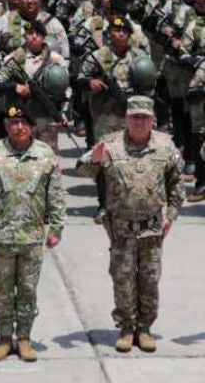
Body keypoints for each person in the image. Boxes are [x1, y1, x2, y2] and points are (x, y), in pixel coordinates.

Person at [77, 95, 184, 352]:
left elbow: (176, 187)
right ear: (126, 118)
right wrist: (94, 160)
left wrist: (170, 218)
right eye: (134, 116)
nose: (139, 122)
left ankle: (145, 328)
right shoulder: (110, 144)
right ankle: (126, 327)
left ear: (152, 120)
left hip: (152, 227)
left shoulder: (165, 146)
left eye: (144, 118)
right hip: (121, 228)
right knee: (122, 278)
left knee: (149, 279)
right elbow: (81, 170)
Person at [0, 105, 66, 362]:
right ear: (7, 126)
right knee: (2, 290)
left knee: (28, 289)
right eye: (14, 122)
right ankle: (5, 338)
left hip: (31, 237)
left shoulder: (45, 154)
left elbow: (55, 195)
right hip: (1, 236)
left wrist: (56, 227)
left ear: (32, 127)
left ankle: (25, 339)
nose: (19, 127)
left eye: (24, 122)